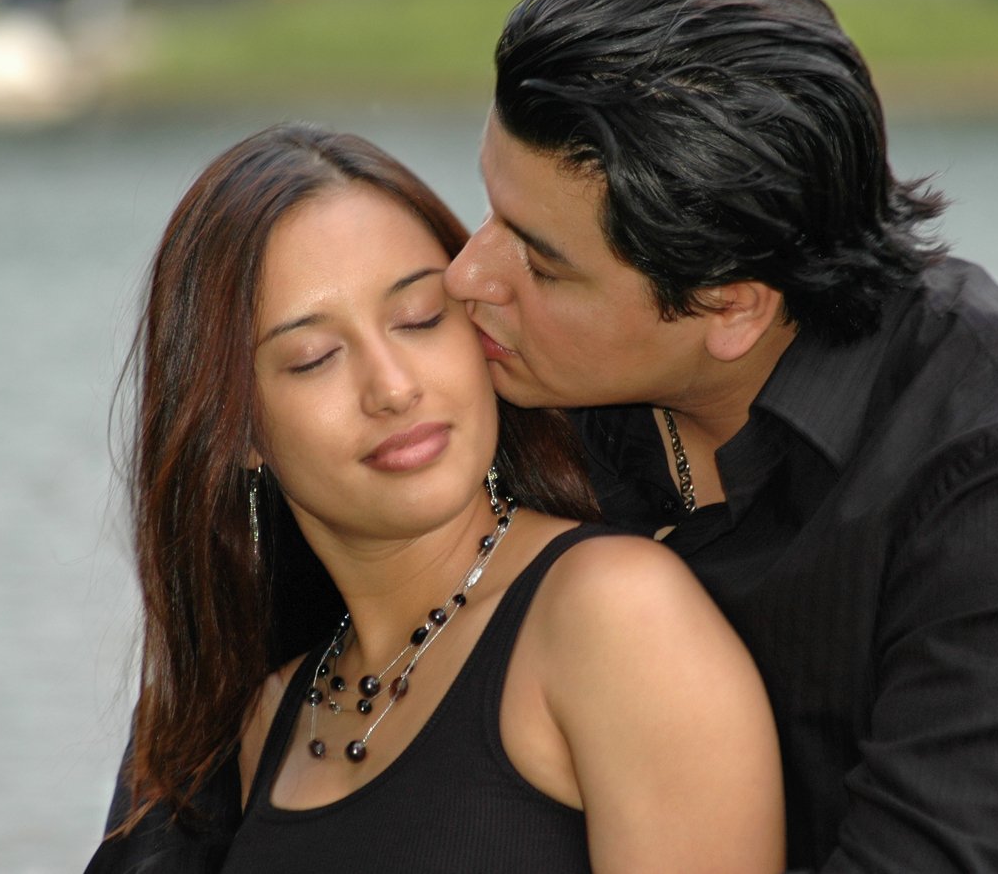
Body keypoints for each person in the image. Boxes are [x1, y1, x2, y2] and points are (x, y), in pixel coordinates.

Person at [444, 0, 998, 873]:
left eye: (538, 259)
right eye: (488, 208)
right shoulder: (518, 382)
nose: (465, 273)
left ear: (731, 305)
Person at [85, 123, 785, 872]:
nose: (392, 386)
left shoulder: (611, 616)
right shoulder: (258, 725)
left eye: (419, 318)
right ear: (238, 431)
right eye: (314, 358)